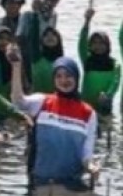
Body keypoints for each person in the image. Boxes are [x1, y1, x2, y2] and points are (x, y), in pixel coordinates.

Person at [6, 48, 99, 188]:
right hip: (39, 179)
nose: (64, 80)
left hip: (71, 183)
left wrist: (91, 167)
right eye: (59, 76)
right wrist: (16, 66)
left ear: (76, 77)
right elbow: (17, 101)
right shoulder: (42, 101)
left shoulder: (88, 112)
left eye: (68, 76)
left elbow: (86, 153)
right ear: (53, 79)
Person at [78, 7, 120, 115]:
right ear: (89, 46)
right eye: (94, 43)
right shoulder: (87, 60)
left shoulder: (114, 64)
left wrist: (107, 95)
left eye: (102, 43)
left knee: (106, 128)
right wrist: (87, 21)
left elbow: (115, 83)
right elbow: (81, 43)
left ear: (108, 46)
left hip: (104, 106)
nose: (98, 46)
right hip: (86, 106)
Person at [18, 0, 63, 66]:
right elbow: (20, 40)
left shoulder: (54, 15)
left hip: (46, 61)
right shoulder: (28, 15)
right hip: (30, 61)